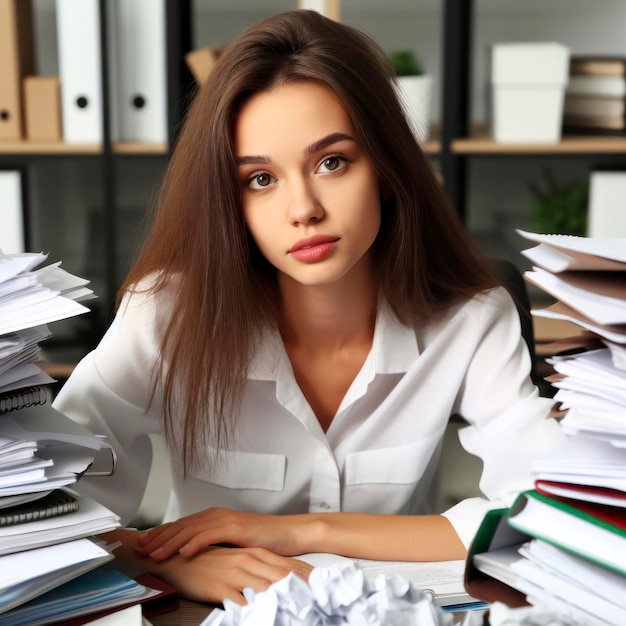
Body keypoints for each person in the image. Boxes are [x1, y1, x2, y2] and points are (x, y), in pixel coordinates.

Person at [53, 9, 563, 606]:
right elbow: (52, 511)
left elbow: (545, 510)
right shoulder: (167, 313)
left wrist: (298, 531)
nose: (304, 209)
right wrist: (168, 569)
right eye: (260, 179)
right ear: (229, 200)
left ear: (387, 168)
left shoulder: (471, 318)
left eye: (332, 162)